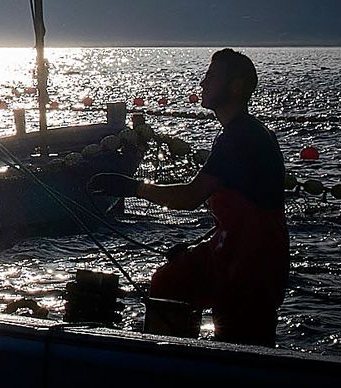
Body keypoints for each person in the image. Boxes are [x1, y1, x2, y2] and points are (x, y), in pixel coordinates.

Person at [88, 48, 288, 345]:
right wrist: (196, 246)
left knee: (241, 344)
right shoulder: (241, 133)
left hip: (252, 264)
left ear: (235, 86)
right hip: (229, 249)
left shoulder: (241, 138)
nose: (202, 84)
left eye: (212, 77)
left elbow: (190, 196)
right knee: (170, 280)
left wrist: (133, 188)